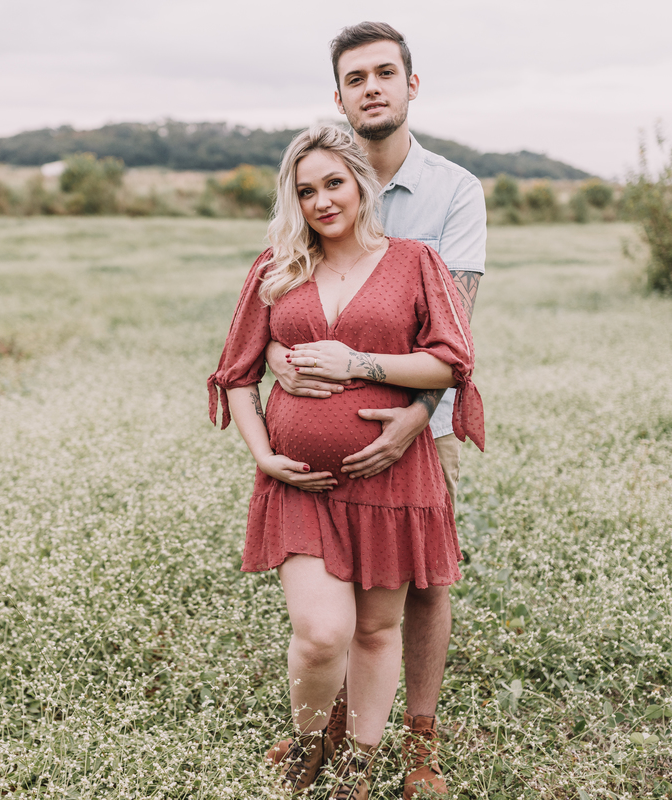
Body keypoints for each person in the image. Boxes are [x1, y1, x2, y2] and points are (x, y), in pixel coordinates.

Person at [207, 124, 483, 799]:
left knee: (377, 629)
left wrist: (357, 363)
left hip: (392, 477)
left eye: (334, 183)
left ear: (361, 184)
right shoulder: (276, 268)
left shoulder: (415, 261)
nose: (323, 201)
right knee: (321, 633)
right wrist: (264, 454)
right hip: (301, 485)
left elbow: (452, 362)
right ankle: (310, 742)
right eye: (306, 191)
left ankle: (357, 764)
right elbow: (236, 374)